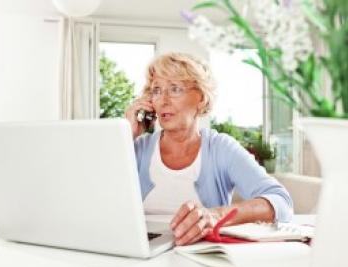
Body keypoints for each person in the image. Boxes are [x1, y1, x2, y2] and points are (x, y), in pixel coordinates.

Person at [125, 52, 293, 246]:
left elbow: (281, 202)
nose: (163, 100)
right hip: (141, 255)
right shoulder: (137, 149)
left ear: (202, 99)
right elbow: (93, 198)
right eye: (156, 90)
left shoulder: (221, 149)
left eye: (175, 89)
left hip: (201, 257)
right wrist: (125, 136)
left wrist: (215, 215)